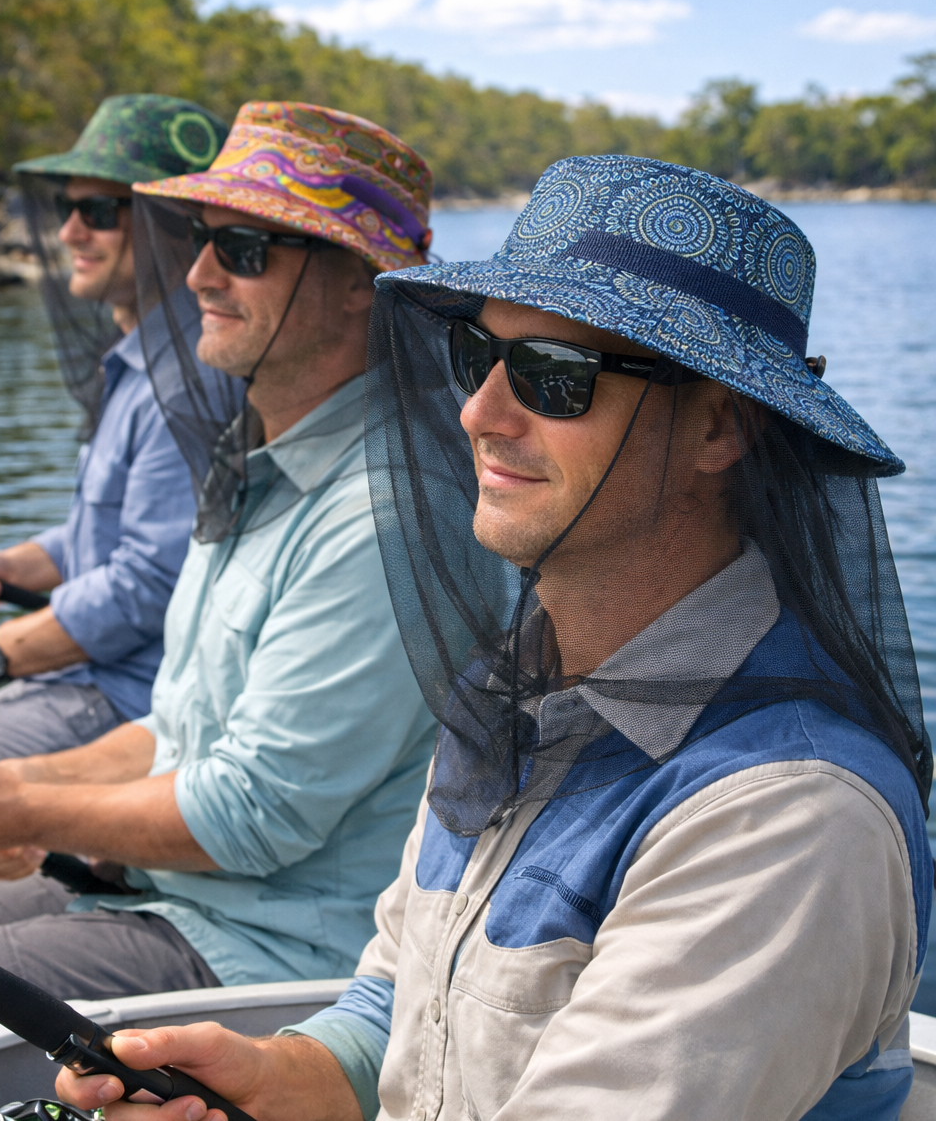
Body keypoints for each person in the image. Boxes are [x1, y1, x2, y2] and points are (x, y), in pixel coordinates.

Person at [57, 156, 932, 1121]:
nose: (479, 413)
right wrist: (275, 1076)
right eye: (480, 358)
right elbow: (397, 1012)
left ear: (719, 427)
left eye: (556, 378)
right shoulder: (515, 690)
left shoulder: (786, 817)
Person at [0, 103, 438, 1044]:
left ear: (361, 281)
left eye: (243, 248)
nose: (196, 272)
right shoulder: (256, 471)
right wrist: (18, 798)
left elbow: (253, 814)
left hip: (273, 954)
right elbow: (180, 724)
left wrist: (25, 801)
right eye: (201, 239)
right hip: (172, 893)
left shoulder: (380, 516)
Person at [0, 95, 229, 900]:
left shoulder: (188, 378)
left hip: (121, 699)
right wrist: (7, 561)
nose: (68, 234)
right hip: (81, 680)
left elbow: (148, 583)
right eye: (67, 208)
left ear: (172, 226)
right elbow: (107, 533)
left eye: (98, 210)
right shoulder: (139, 361)